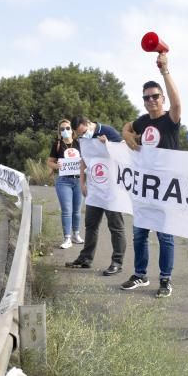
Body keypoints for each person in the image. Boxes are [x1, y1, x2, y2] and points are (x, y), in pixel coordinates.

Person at [119, 51, 181, 298]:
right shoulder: (143, 122)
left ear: (162, 98)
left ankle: (165, 279)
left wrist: (165, 70)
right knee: (139, 233)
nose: (152, 100)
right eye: (147, 98)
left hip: (166, 189)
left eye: (156, 96)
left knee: (165, 236)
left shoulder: (170, 120)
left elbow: (178, 105)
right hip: (144, 188)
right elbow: (126, 128)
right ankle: (140, 274)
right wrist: (127, 137)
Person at [65, 116, 127, 275]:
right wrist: (82, 183)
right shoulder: (83, 139)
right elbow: (84, 160)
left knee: (116, 226)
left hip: (112, 189)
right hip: (94, 188)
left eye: (83, 132)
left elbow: (125, 153)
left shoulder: (108, 131)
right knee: (91, 224)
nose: (82, 136)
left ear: (88, 124)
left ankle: (117, 262)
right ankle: (85, 258)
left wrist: (109, 144)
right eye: (78, 134)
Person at [47, 119, 84, 249]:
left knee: (77, 210)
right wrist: (56, 165)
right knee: (67, 210)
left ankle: (76, 234)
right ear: (59, 132)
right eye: (62, 129)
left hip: (78, 180)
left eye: (67, 128)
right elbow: (49, 162)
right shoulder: (57, 144)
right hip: (63, 181)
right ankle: (67, 238)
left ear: (72, 129)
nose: (65, 131)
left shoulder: (79, 143)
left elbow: (86, 160)